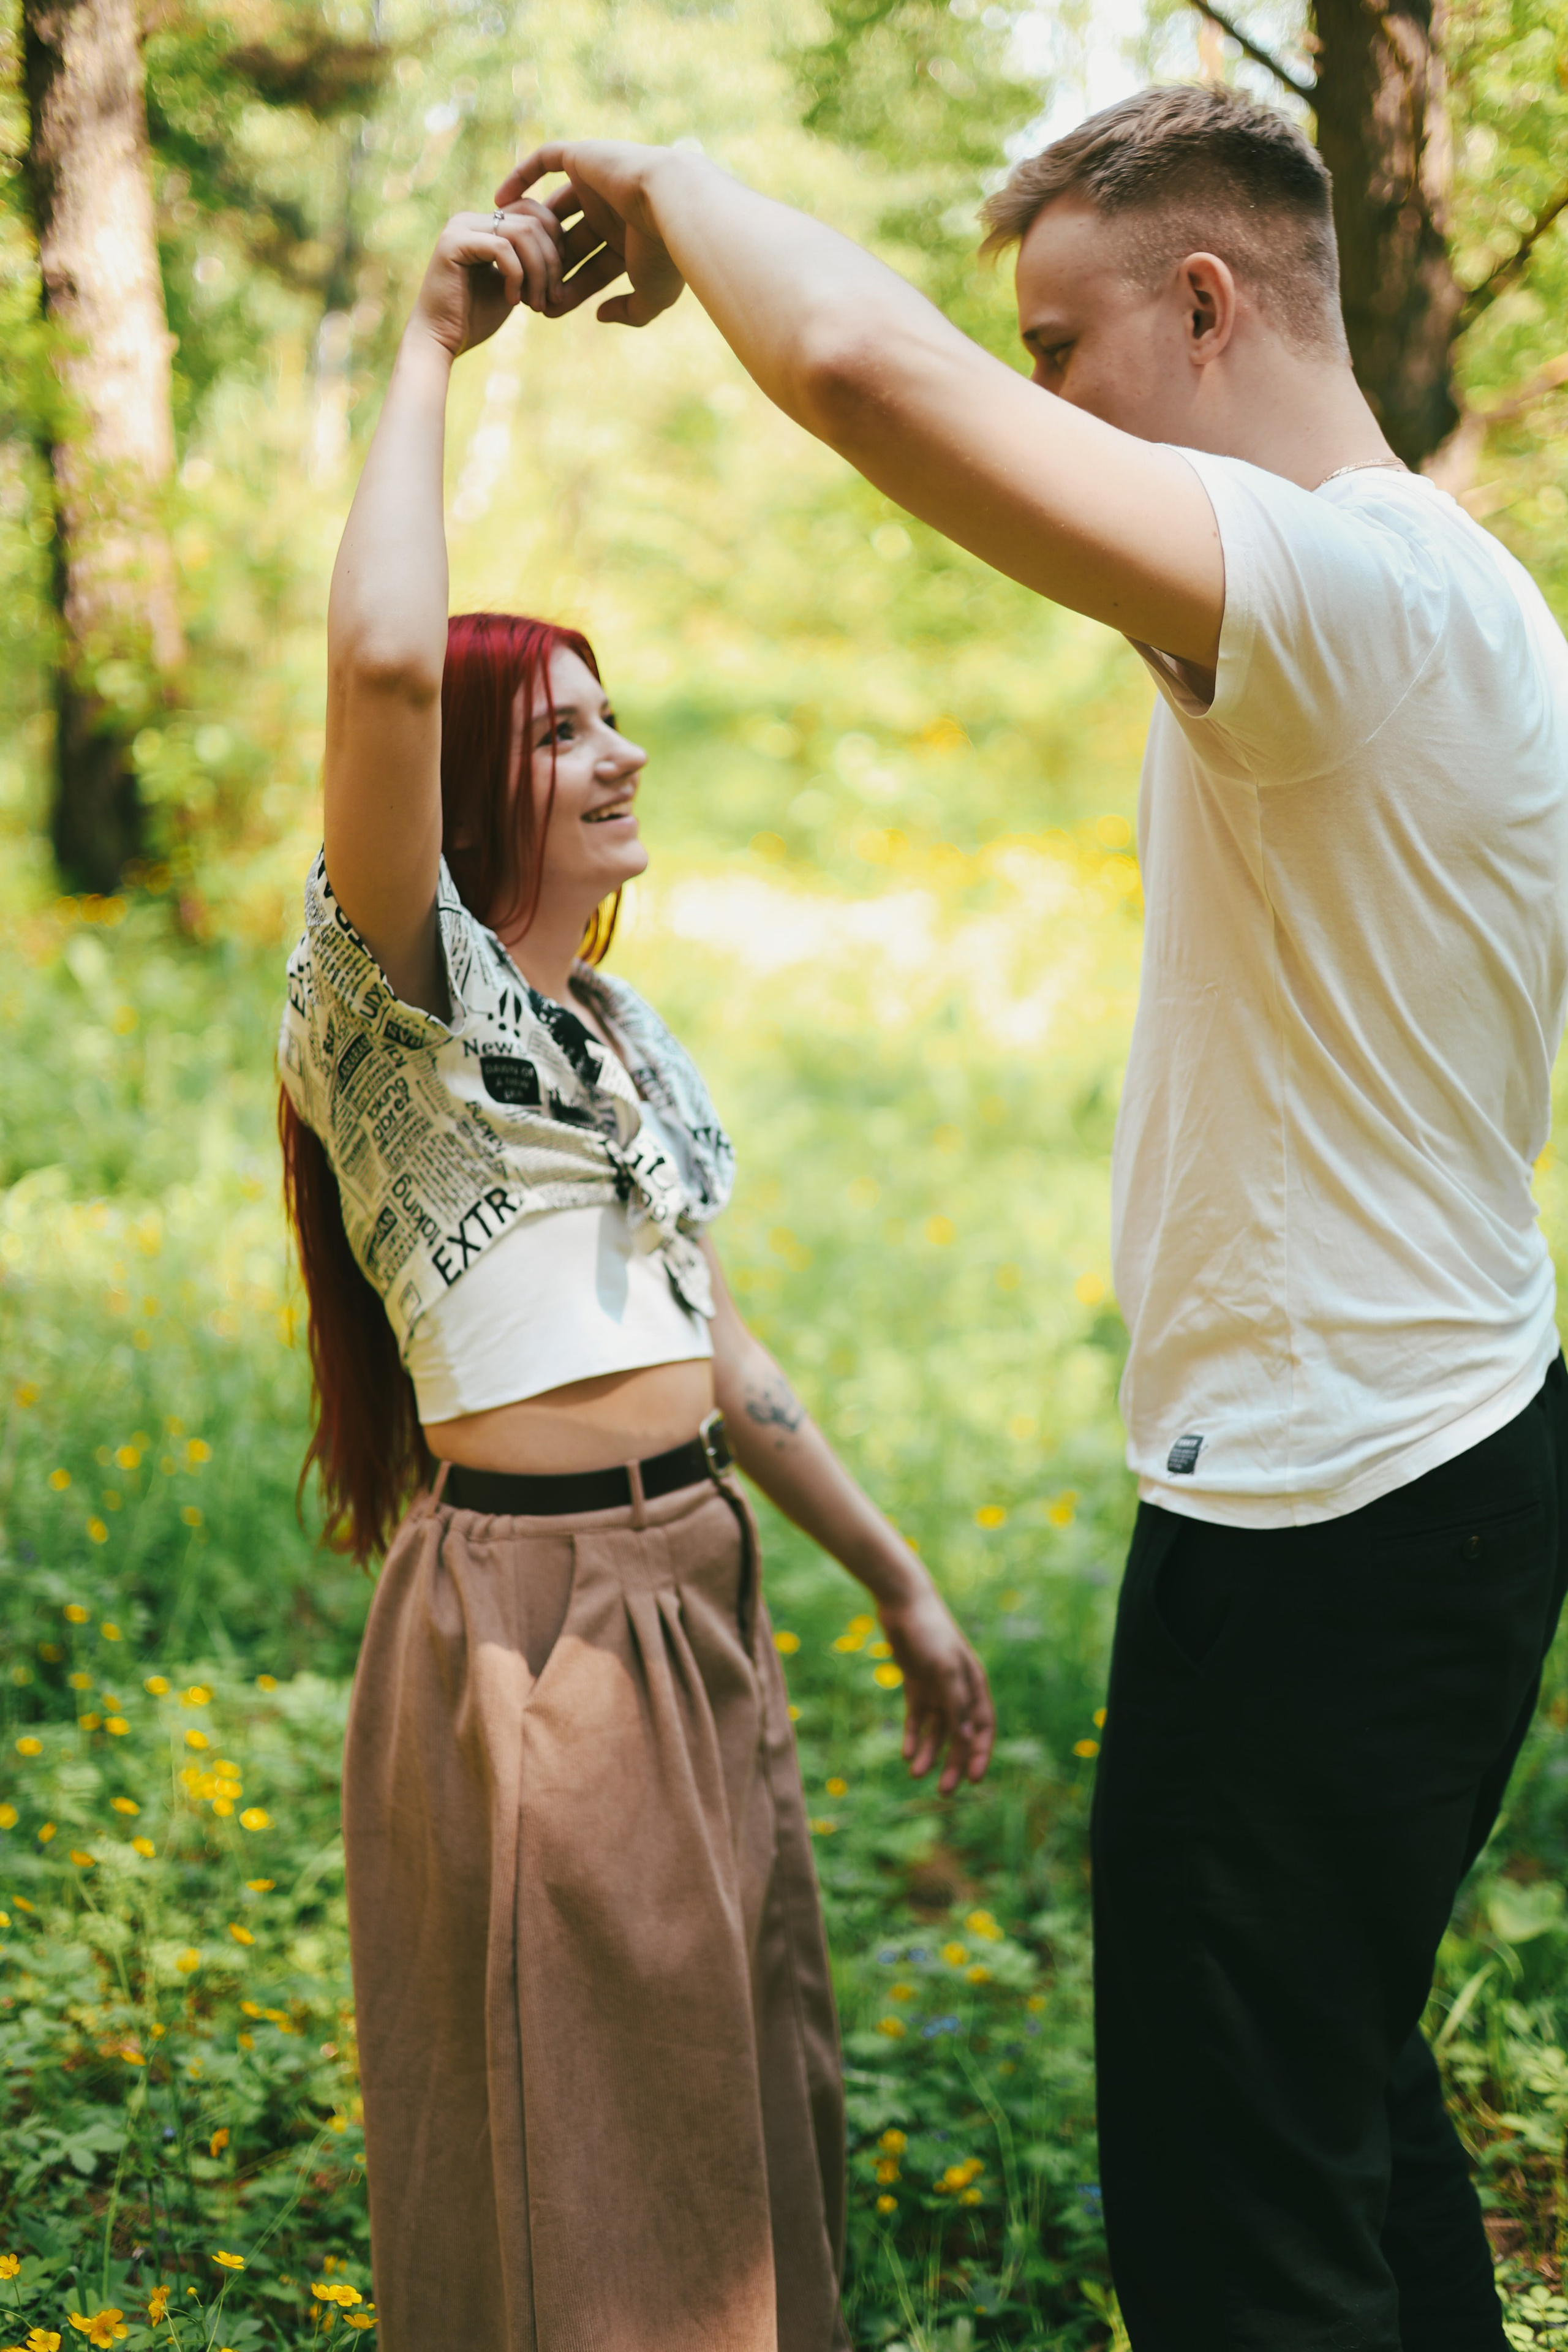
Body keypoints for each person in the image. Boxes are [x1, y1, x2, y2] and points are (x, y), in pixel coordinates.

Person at [507, 83, 1568, 2352]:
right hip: (1422, 1470)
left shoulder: (1352, 595)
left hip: (1337, 1512)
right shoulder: (1459, 593)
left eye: (1065, 349)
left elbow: (865, 374)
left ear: (1208, 306)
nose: (1048, 407)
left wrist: (676, 186)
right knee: (1335, 2095)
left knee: (1237, 2209)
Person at [276, 203, 995, 2352]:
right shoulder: (399, 1003)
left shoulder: (614, 1036)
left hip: (692, 1582)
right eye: (565, 730)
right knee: (571, 2129)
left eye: (619, 716)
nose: (623, 754)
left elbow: (715, 1346)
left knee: (734, 2103)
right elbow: (382, 666)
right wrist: (430, 344)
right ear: (465, 786)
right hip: (532, 1619)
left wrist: (894, 1580)